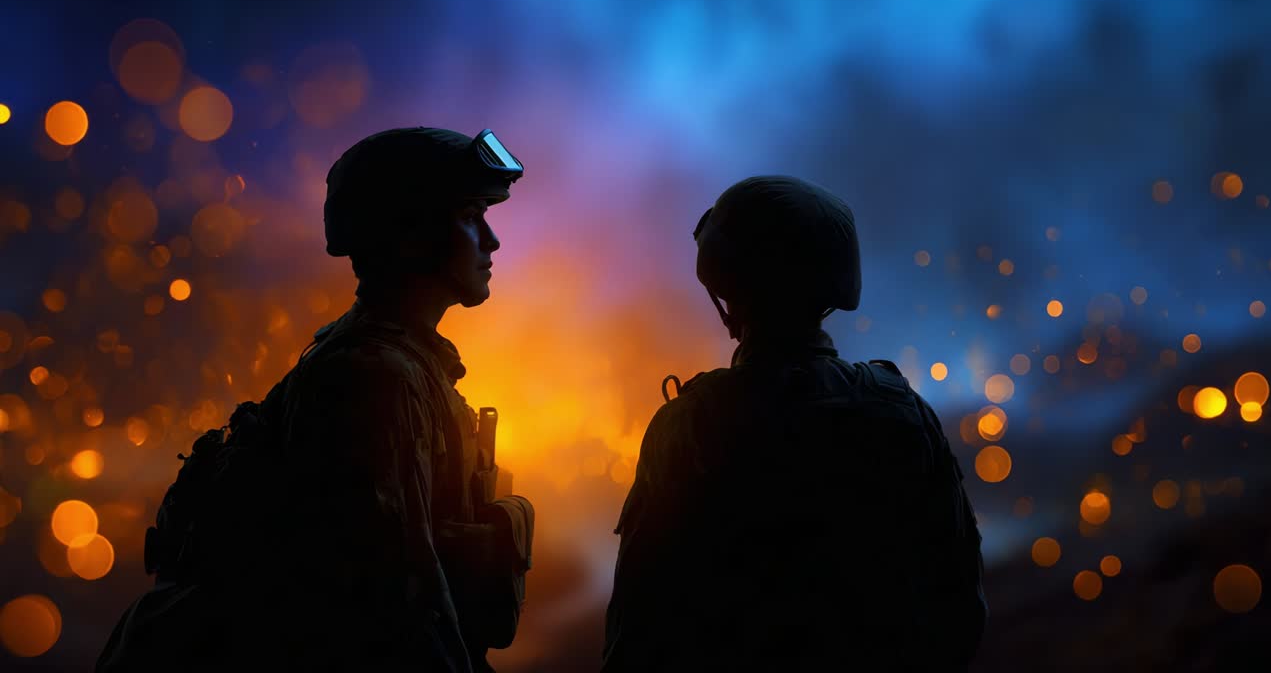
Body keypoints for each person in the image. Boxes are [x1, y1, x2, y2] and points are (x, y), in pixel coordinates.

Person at [96, 127, 534, 673]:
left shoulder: (400, 365)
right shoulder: (371, 378)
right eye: (471, 215)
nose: (490, 241)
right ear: (409, 233)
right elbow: (392, 606)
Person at [603, 176, 987, 671]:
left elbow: (638, 625)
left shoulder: (689, 426)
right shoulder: (901, 411)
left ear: (727, 288)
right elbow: (960, 606)